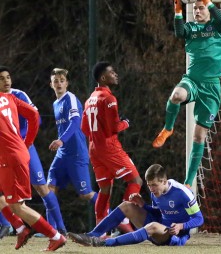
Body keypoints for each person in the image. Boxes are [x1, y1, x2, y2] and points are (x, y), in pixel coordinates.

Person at [152, 0, 221, 188]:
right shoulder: (190, 28)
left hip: (211, 87)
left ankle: (188, 182)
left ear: (208, 9)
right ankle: (168, 129)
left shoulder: (216, 27)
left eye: (201, 8)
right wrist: (177, 7)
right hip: (192, 80)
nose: (197, 11)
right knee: (176, 95)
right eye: (194, 9)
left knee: (199, 134)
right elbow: (178, 31)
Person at [68, 164, 204, 247]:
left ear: (163, 181)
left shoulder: (182, 193)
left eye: (154, 185)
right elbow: (159, 213)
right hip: (158, 229)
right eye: (149, 185)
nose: (151, 189)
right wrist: (143, 205)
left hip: (175, 236)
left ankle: (106, 243)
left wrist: (181, 226)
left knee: (153, 226)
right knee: (127, 205)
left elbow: (199, 219)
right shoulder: (155, 192)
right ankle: (92, 236)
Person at [0, 66, 66, 235]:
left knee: (42, 188)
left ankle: (60, 228)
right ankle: (9, 226)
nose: (7, 81)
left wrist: (26, 141)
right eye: (2, 78)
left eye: (8, 77)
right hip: (5, 151)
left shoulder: (18, 95)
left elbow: (35, 118)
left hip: (23, 147)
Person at [81, 62, 142, 226]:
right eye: (111, 72)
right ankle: (122, 219)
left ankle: (101, 229)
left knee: (105, 189)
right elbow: (113, 128)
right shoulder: (109, 98)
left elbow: (84, 128)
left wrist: (98, 137)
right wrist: (126, 123)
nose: (115, 74)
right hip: (110, 148)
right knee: (136, 181)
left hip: (94, 149)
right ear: (103, 78)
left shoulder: (89, 100)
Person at [48, 68, 98, 215]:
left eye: (62, 81)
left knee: (86, 194)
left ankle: (119, 219)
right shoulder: (55, 104)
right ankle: (54, 230)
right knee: (49, 188)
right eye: (55, 81)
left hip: (76, 153)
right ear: (51, 84)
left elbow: (76, 121)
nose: (58, 83)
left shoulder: (70, 98)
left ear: (67, 83)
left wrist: (61, 140)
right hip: (62, 155)